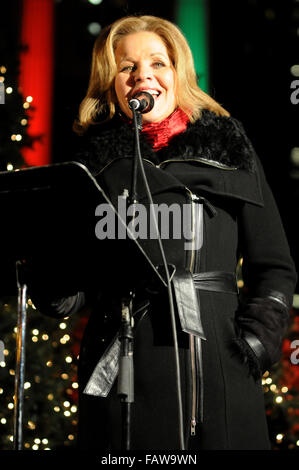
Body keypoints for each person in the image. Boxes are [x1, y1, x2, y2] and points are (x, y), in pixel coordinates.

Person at [28, 15, 297, 451]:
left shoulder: (228, 149)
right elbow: (74, 286)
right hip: (121, 366)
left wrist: (254, 342)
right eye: (127, 66)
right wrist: (49, 272)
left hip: (216, 364)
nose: (143, 76)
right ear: (111, 83)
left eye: (158, 63)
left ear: (178, 74)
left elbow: (275, 266)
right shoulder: (93, 168)